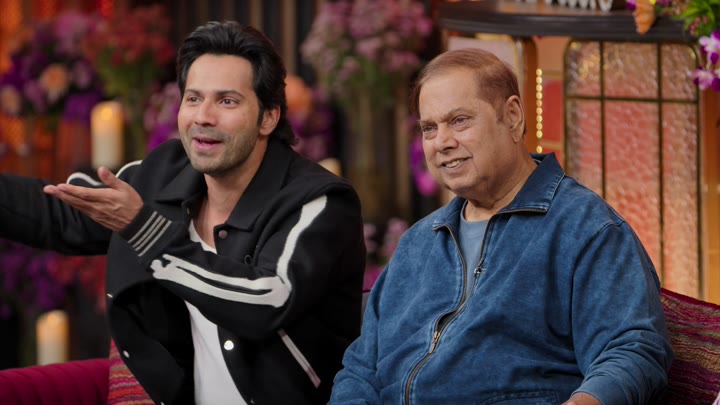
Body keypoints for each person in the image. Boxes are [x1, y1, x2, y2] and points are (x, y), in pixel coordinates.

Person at [0, 21, 366, 404]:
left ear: (268, 117)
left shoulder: (319, 201)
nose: (202, 116)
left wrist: (146, 232)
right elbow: (60, 214)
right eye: (193, 98)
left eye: (227, 101)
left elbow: (267, 300)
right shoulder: (163, 175)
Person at [330, 48, 672, 404]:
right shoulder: (418, 242)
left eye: (459, 120)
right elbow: (361, 369)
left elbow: (632, 350)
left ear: (512, 117)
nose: (442, 142)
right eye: (429, 128)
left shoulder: (585, 228)